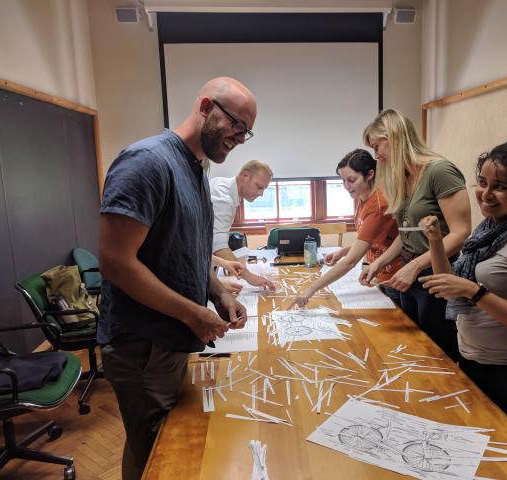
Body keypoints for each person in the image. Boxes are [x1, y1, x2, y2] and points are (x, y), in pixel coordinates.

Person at [98, 77, 254, 480]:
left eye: (246, 132)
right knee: (155, 451)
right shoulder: (147, 162)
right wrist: (192, 313)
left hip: (168, 336)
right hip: (141, 343)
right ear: (205, 107)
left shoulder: (195, 168)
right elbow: (116, 261)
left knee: (164, 442)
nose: (239, 137)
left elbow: (186, 249)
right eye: (236, 125)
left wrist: (218, 292)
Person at [419, 140, 507, 440]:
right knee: (475, 446)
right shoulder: (487, 232)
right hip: (471, 359)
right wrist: (434, 241)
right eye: (482, 182)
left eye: (500, 186)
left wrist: (475, 292)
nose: (486, 193)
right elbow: (450, 290)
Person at [359, 109, 471, 361]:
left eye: (378, 146)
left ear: (395, 136)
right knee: (414, 345)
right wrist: (380, 262)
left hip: (436, 273)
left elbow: (461, 233)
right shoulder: (404, 177)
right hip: (410, 267)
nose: (377, 156)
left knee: (438, 351)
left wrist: (417, 265)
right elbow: (407, 233)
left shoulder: (439, 171)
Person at [289, 149, 403, 308]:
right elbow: (370, 239)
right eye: (343, 181)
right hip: (380, 275)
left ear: (370, 175)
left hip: (396, 277)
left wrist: (310, 290)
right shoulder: (360, 196)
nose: (346, 186)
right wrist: (342, 251)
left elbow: (350, 263)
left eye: (351, 180)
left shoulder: (378, 206)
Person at [210, 160, 276, 290]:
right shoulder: (224, 198)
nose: (261, 194)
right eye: (258, 186)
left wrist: (216, 283)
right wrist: (250, 277)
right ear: (245, 175)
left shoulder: (222, 184)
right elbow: (217, 246)